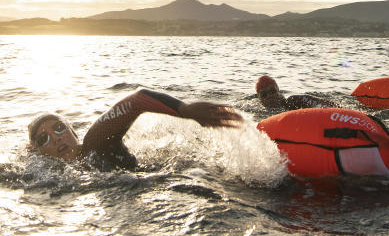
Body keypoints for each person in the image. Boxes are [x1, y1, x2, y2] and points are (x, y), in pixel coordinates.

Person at [28, 88, 243, 170]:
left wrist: (184, 109)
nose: (56, 138)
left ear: (73, 132)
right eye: (43, 139)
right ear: (38, 153)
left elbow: (137, 100)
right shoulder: (44, 176)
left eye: (58, 128)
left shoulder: (96, 141)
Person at [256, 75, 337, 110]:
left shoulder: (294, 101)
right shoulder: (257, 111)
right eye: (264, 95)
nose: (270, 96)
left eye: (272, 91)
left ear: (278, 90)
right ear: (259, 99)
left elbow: (330, 106)